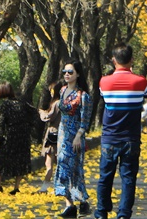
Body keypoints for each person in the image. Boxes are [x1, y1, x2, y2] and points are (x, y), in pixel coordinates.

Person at [96, 44, 147, 219]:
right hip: (131, 138)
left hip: (110, 137)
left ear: (113, 60)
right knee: (128, 178)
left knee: (105, 176)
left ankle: (102, 211)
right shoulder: (141, 81)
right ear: (131, 60)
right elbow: (145, 96)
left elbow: (104, 98)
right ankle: (124, 214)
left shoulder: (104, 81)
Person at [54, 61, 92, 218]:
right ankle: (69, 205)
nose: (67, 74)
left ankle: (83, 201)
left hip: (75, 137)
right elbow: (59, 111)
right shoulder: (62, 90)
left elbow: (85, 119)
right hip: (62, 135)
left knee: (75, 169)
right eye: (65, 71)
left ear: (78, 74)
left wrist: (78, 136)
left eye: (70, 72)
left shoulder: (83, 96)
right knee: (62, 166)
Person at [0, 82, 33, 194]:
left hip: (12, 134)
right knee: (21, 160)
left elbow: (1, 123)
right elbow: (33, 113)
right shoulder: (21, 102)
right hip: (24, 135)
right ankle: (16, 187)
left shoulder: (5, 105)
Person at [39, 80, 64, 191]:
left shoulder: (56, 103)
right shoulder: (63, 102)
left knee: (49, 164)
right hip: (61, 135)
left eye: (51, 91)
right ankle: (60, 186)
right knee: (60, 164)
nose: (50, 93)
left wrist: (41, 113)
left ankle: (45, 188)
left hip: (53, 135)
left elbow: (49, 117)